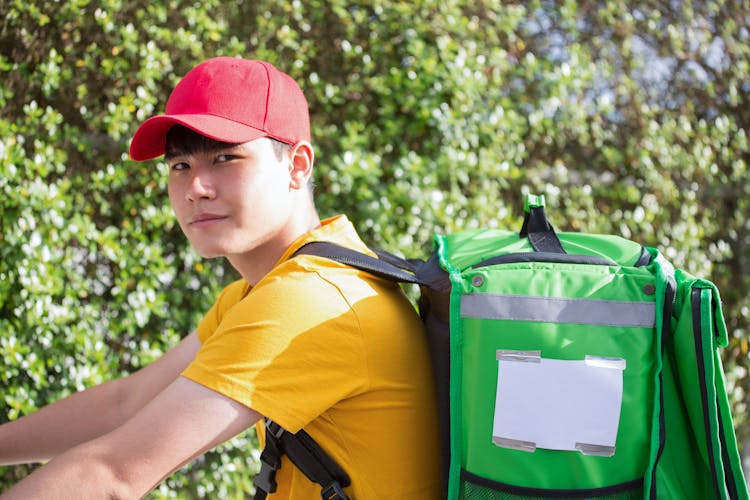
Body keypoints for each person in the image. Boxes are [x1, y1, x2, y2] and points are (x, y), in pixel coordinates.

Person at [0, 56, 441, 498]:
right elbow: (127, 403)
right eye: (180, 166)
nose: (196, 187)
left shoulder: (312, 300)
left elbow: (114, 475)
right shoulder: (270, 289)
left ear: (297, 165)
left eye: (226, 157)